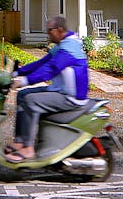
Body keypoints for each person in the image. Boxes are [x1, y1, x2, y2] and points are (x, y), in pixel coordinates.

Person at [6, 15, 89, 162]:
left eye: (50, 30)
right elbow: (42, 63)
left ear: (59, 30)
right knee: (23, 95)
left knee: (31, 100)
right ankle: (20, 141)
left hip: (70, 97)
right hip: (59, 91)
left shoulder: (69, 47)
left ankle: (28, 148)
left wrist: (25, 80)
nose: (47, 33)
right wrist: (18, 72)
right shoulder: (62, 45)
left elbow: (50, 69)